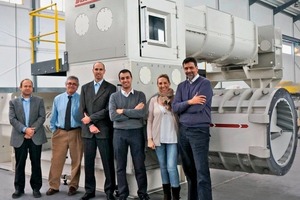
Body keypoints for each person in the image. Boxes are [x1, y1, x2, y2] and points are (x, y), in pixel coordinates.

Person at [172, 57, 213, 200]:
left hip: (199, 131)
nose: (189, 70)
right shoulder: (181, 86)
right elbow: (175, 107)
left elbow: (198, 107)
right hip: (183, 131)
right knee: (189, 171)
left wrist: (184, 106)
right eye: (186, 68)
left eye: (191, 68)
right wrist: (190, 101)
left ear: (196, 68)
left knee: (202, 172)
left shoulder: (205, 84)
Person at [109, 69, 150, 200]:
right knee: (120, 166)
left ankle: (143, 193)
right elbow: (113, 116)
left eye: (127, 77)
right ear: (120, 81)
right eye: (122, 78)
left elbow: (141, 114)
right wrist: (132, 112)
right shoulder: (114, 97)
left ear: (131, 78)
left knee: (139, 165)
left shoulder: (140, 95)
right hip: (119, 134)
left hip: (136, 133)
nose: (125, 80)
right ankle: (123, 194)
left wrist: (123, 111)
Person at [80, 62, 117, 200]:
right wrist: (90, 125)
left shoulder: (111, 88)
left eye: (101, 69)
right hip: (88, 132)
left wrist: (90, 119)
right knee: (88, 163)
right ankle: (89, 191)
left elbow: (108, 110)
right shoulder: (85, 88)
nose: (98, 71)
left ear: (104, 71)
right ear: (92, 70)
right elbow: (81, 109)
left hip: (104, 130)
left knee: (107, 162)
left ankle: (109, 191)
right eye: (96, 69)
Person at [9, 78, 47, 199]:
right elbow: (12, 119)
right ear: (20, 88)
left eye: (30, 86)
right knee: (20, 164)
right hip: (19, 136)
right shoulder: (13, 102)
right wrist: (25, 130)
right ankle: (19, 189)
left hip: (35, 136)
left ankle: (36, 188)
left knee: (36, 163)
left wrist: (31, 130)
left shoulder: (39, 100)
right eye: (25, 86)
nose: (27, 88)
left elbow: (42, 117)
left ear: (32, 88)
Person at [46, 76, 83, 196]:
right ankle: (53, 186)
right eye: (69, 83)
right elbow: (53, 116)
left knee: (76, 161)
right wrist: (54, 130)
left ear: (77, 86)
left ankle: (73, 186)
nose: (71, 85)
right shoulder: (58, 99)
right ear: (65, 84)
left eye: (74, 84)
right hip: (60, 132)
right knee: (56, 160)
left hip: (76, 132)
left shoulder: (81, 99)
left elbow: (84, 116)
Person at [147, 74, 180, 200]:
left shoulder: (176, 99)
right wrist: (150, 139)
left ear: (169, 83)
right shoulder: (153, 100)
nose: (163, 85)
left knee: (171, 167)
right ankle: (167, 195)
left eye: (165, 83)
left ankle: (176, 196)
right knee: (163, 167)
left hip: (173, 138)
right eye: (160, 83)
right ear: (157, 85)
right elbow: (149, 120)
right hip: (158, 139)